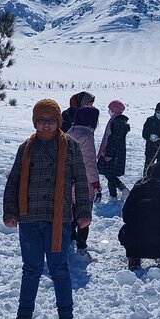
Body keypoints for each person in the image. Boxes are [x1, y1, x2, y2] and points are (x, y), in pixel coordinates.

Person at [3, 99, 92, 319]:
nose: (46, 124)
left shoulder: (71, 147)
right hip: (29, 218)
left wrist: (84, 211)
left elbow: (81, 182)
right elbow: (14, 180)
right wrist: (10, 211)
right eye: (41, 120)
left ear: (59, 121)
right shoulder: (26, 147)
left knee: (59, 269)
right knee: (30, 270)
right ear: (34, 121)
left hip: (58, 220)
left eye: (50, 120)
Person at [65, 103, 102, 252]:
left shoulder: (69, 132)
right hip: (83, 183)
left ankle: (70, 238)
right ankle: (81, 245)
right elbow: (89, 163)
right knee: (84, 215)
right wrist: (95, 183)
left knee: (70, 214)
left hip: (68, 181)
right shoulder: (87, 136)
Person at [98, 100, 130, 199]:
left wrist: (109, 154)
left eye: (111, 109)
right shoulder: (115, 121)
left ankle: (115, 195)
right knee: (109, 174)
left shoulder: (117, 122)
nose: (109, 111)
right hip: (112, 152)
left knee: (110, 174)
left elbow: (113, 139)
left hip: (113, 154)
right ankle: (121, 191)